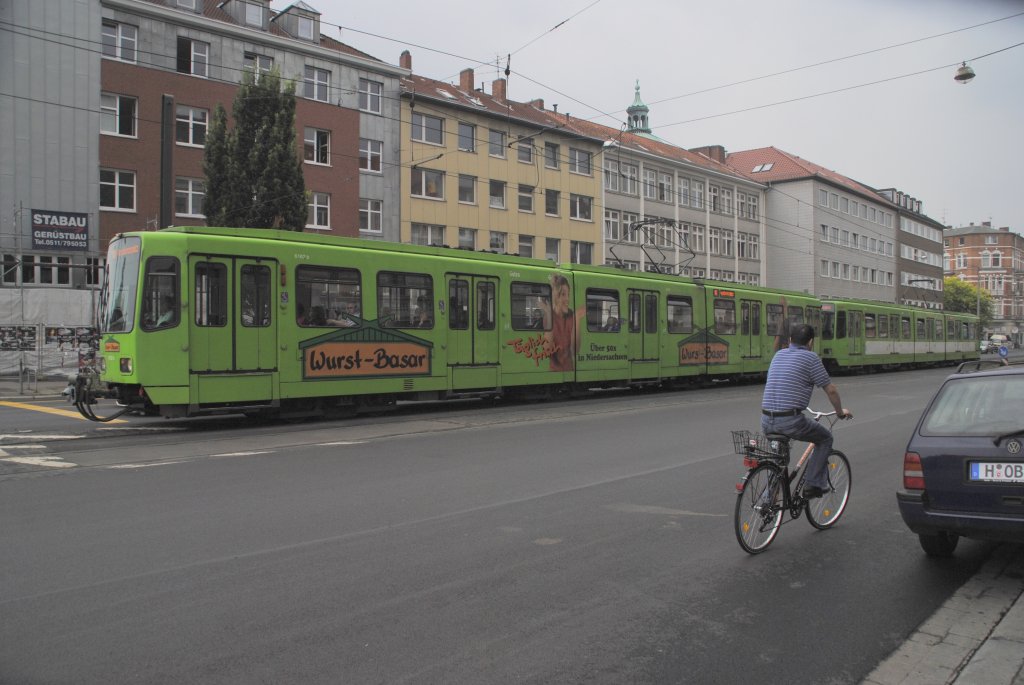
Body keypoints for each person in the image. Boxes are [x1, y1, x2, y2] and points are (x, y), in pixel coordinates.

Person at [760, 323, 852, 499]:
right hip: (790, 421)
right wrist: (840, 412)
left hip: (766, 419)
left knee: (779, 460)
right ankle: (813, 485)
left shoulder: (778, 355)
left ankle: (767, 500)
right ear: (811, 342)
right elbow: (831, 390)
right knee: (825, 438)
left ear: (789, 340)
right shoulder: (811, 359)